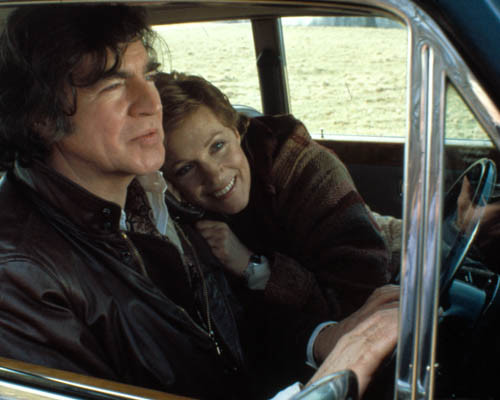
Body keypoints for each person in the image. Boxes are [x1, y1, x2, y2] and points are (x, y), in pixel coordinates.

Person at [0, 4, 397, 400]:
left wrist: (324, 340)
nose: (150, 103)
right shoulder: (19, 275)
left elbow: (229, 335)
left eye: (147, 76)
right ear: (42, 117)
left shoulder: (154, 198)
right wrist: (334, 377)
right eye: (113, 86)